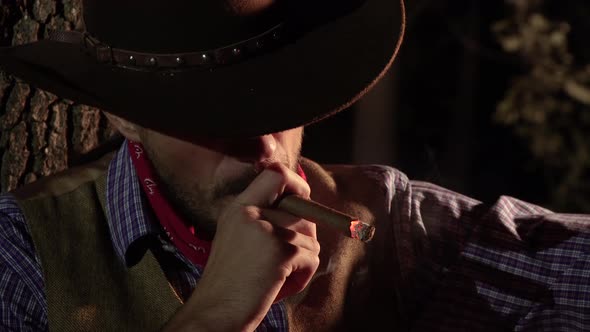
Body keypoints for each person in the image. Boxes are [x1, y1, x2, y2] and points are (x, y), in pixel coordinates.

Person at [0, 0, 588, 331]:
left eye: (279, 108)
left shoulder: (382, 221)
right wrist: (220, 315)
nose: (265, 153)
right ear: (124, 118)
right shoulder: (27, 259)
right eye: (212, 119)